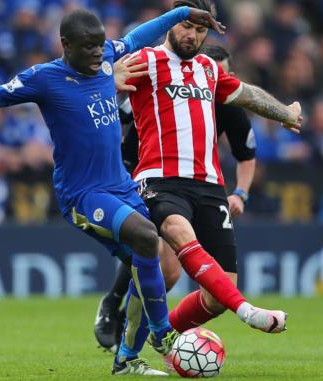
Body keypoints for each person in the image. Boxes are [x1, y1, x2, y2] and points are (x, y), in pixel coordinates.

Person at [0, 6, 225, 376]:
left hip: (121, 185)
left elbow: (140, 35)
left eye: (101, 46)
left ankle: (127, 359)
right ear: (66, 45)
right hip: (83, 194)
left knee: (154, 263)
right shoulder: (45, 78)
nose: (99, 53)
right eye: (89, 47)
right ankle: (163, 334)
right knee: (147, 238)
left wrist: (181, 11)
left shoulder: (106, 58)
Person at [100, 0, 302, 367]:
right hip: (159, 178)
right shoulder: (148, 60)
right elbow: (100, 73)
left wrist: (285, 112)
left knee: (216, 292)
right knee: (176, 240)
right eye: (186, 26)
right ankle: (245, 311)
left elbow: (249, 94)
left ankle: (162, 341)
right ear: (171, 23)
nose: (191, 35)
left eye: (199, 29)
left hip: (209, 184)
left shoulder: (209, 69)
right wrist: (110, 76)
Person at [94, 44, 258, 352]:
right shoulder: (167, 81)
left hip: (195, 181)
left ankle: (154, 332)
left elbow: (246, 154)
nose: (212, 80)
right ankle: (112, 307)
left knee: (167, 273)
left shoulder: (229, 106)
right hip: (139, 168)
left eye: (221, 75)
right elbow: (114, 113)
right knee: (158, 258)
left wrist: (241, 193)